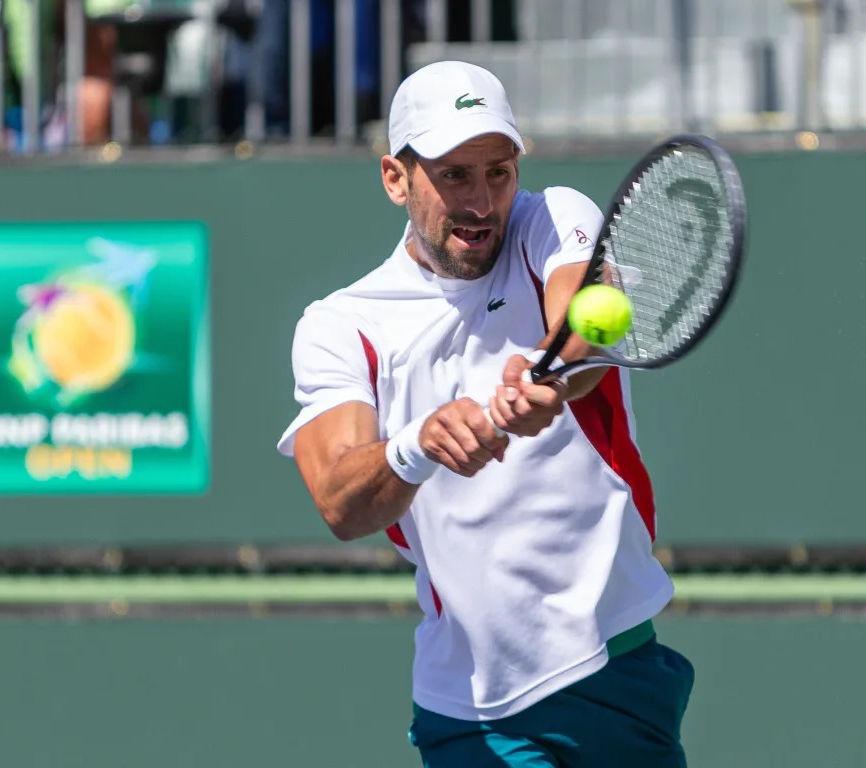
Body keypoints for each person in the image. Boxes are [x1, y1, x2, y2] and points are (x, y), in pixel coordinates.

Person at [276, 60, 694, 767]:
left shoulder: (552, 218)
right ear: (395, 178)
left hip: (615, 670)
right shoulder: (340, 326)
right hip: (470, 710)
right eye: (454, 175)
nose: (481, 201)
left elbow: (583, 329)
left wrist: (551, 375)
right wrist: (417, 445)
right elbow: (340, 502)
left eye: (498, 172)